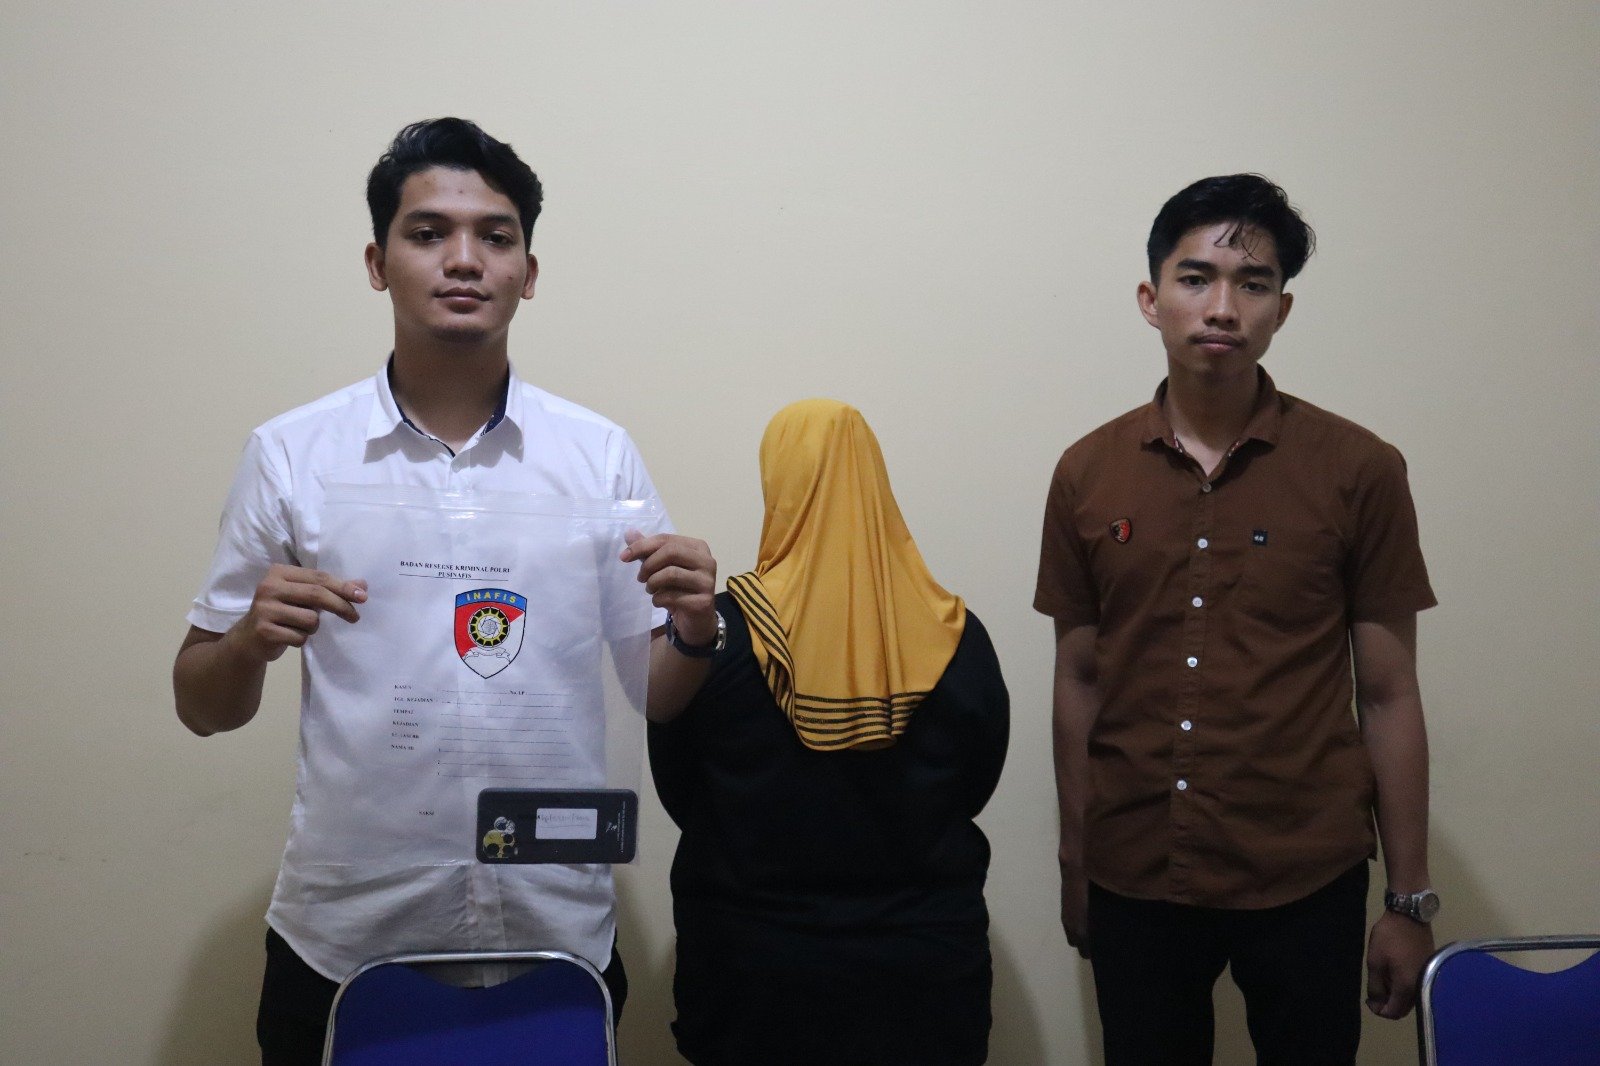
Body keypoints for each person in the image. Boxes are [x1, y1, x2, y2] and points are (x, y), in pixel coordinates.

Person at [171, 117, 718, 1065]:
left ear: (528, 273)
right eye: (428, 233)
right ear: (377, 263)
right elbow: (201, 706)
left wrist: (698, 627)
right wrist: (249, 641)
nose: (464, 259)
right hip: (348, 937)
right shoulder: (293, 454)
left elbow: (655, 695)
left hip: (555, 933)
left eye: (495, 236)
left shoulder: (598, 456)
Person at [1034, 174, 1440, 1065]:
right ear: (1151, 299)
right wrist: (1075, 859)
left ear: (1281, 310)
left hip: (1304, 871)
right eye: (1196, 278)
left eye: (1252, 283)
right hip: (1135, 869)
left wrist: (1408, 901)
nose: (1222, 307)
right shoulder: (1086, 472)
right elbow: (1079, 676)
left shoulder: (1359, 468)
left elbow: (1388, 693)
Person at [648, 399, 1010, 1066]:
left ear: (777, 487)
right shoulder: (957, 635)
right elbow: (977, 783)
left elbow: (680, 790)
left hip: (752, 978)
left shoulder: (713, 639)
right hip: (923, 980)